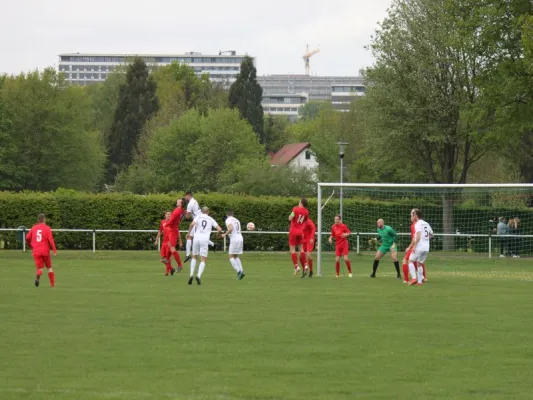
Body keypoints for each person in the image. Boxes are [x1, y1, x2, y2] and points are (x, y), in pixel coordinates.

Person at [187, 207, 223, 285]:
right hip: (205, 239)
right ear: (208, 212)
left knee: (194, 256)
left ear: (201, 211)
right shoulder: (210, 219)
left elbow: (192, 224)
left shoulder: (198, 216)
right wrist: (218, 234)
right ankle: (198, 276)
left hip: (196, 238)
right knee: (203, 259)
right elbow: (219, 229)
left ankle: (191, 274)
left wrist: (189, 233)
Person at [26, 214, 57, 288]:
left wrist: (30, 245)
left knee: (40, 268)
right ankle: (52, 285)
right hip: (45, 251)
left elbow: (27, 238)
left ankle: (37, 277)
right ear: (44, 220)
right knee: (49, 267)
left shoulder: (34, 228)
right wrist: (54, 250)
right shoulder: (47, 228)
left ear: (38, 220)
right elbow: (50, 240)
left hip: (36, 251)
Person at [408, 209, 433, 286]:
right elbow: (432, 234)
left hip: (419, 247)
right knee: (419, 264)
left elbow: (418, 236)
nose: (412, 216)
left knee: (410, 261)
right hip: (426, 248)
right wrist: (425, 239)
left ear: (416, 215)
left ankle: (414, 278)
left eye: (413, 215)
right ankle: (419, 282)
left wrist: (414, 246)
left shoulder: (417, 224)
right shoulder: (426, 223)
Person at [221, 209, 245, 280]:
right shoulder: (237, 220)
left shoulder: (228, 220)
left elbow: (231, 228)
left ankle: (239, 272)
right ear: (232, 214)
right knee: (236, 256)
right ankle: (242, 271)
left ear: (226, 215)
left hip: (234, 239)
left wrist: (225, 234)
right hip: (240, 238)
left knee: (230, 257)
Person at [288, 198, 309, 276]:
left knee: (292, 250)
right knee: (301, 249)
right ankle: (305, 264)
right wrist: (302, 226)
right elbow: (306, 221)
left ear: (301, 202)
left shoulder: (295, 209)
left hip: (293, 231)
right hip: (300, 232)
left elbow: (290, 218)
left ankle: (296, 266)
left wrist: (291, 216)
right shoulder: (306, 212)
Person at [168, 198, 187, 273]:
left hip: (173, 230)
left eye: (179, 200)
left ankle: (180, 265)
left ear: (181, 204)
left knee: (172, 248)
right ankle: (166, 258)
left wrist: (166, 224)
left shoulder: (177, 210)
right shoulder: (181, 210)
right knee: (170, 245)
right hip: (173, 229)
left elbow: (171, 220)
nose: (178, 200)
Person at [155, 211, 175, 276]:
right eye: (167, 214)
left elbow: (176, 232)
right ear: (165, 215)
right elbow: (160, 231)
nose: (169, 215)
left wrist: (178, 241)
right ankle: (171, 269)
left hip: (169, 243)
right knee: (163, 258)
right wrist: (157, 239)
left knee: (167, 258)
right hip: (164, 243)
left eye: (170, 214)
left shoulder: (172, 223)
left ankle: (167, 272)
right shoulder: (163, 222)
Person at [184, 191, 201, 263]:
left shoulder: (190, 204)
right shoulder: (195, 201)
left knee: (189, 237)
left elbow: (187, 217)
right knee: (198, 237)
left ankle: (187, 255)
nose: (185, 197)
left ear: (188, 195)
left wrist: (184, 213)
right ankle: (213, 244)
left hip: (196, 221)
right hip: (200, 219)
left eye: (185, 196)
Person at [401, 210, 418, 283]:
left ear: (415, 216)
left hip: (415, 246)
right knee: (417, 261)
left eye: (411, 215)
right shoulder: (421, 224)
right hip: (421, 246)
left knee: (405, 260)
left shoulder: (414, 225)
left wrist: (410, 247)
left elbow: (414, 238)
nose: (410, 217)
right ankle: (422, 277)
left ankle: (406, 279)